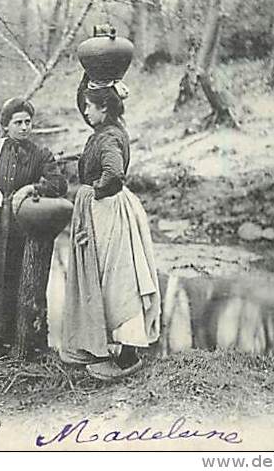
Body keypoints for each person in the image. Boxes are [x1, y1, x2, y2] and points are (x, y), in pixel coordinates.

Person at [60, 75, 161, 380]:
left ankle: (128, 356)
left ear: (103, 108)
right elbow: (85, 103)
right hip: (109, 208)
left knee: (118, 280)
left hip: (109, 211)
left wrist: (95, 191)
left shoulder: (107, 138)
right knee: (111, 277)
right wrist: (87, 76)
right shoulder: (110, 127)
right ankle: (108, 345)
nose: (85, 112)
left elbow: (114, 173)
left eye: (89, 107)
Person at [0, 97, 67, 353]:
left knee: (13, 279)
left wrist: (33, 187)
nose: (23, 127)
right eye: (18, 122)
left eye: (27, 122)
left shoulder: (39, 154)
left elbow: (58, 184)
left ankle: (15, 337)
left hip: (19, 225)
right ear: (6, 126)